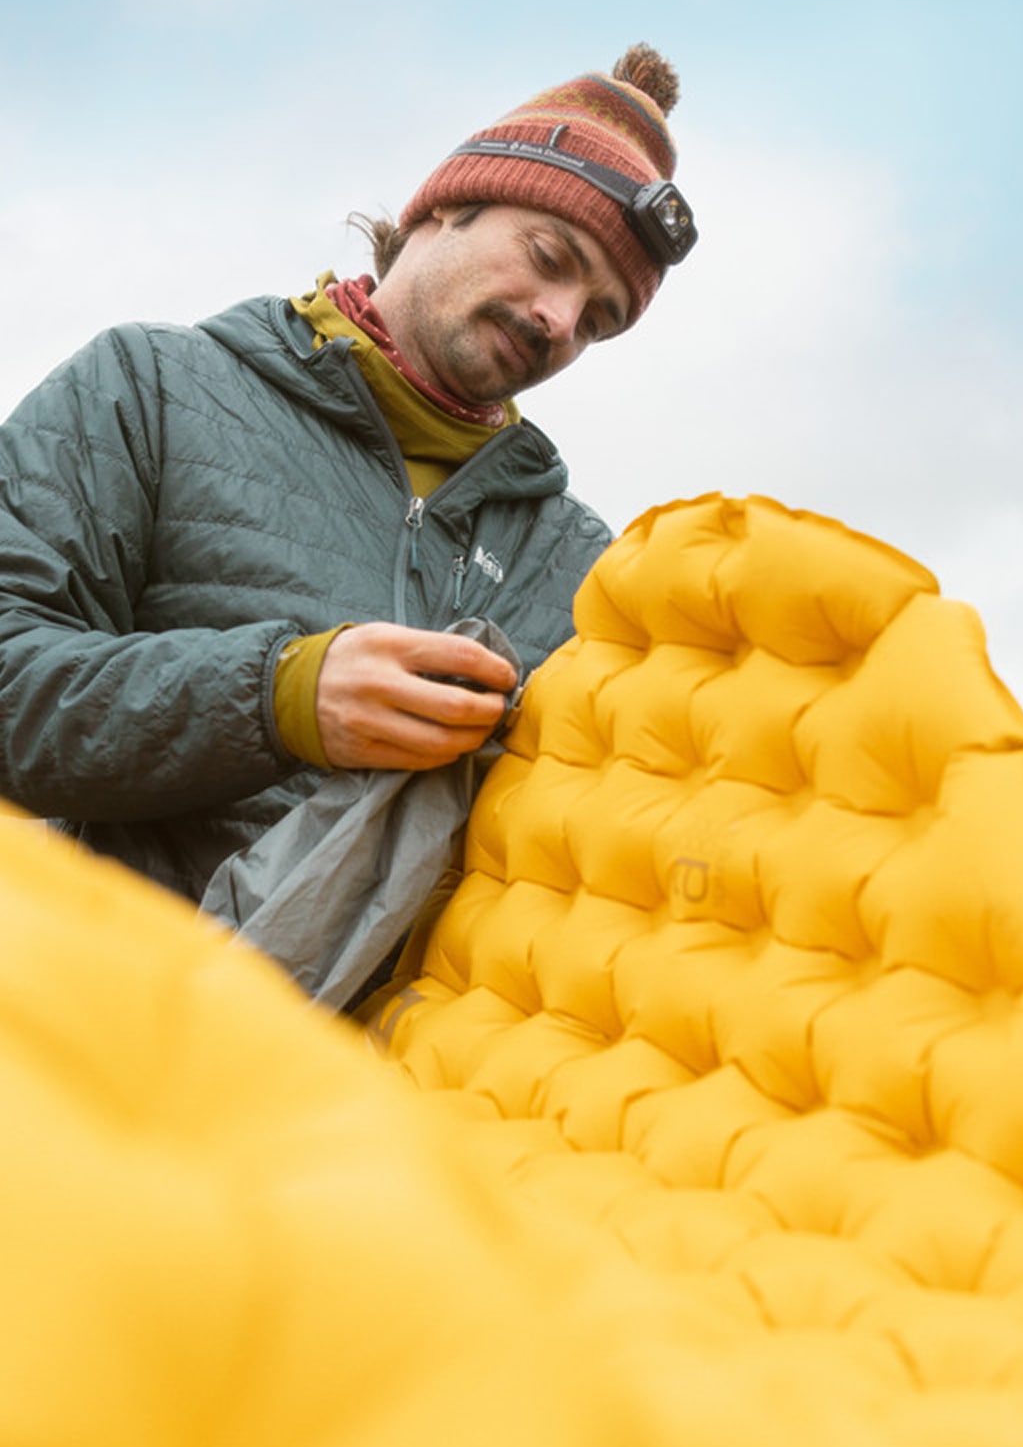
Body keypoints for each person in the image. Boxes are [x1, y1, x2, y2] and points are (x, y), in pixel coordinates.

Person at [0, 45, 697, 904]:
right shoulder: (151, 387)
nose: (559, 321)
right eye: (550, 256)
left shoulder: (585, 568)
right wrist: (277, 697)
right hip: (110, 1013)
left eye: (600, 318)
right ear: (444, 209)